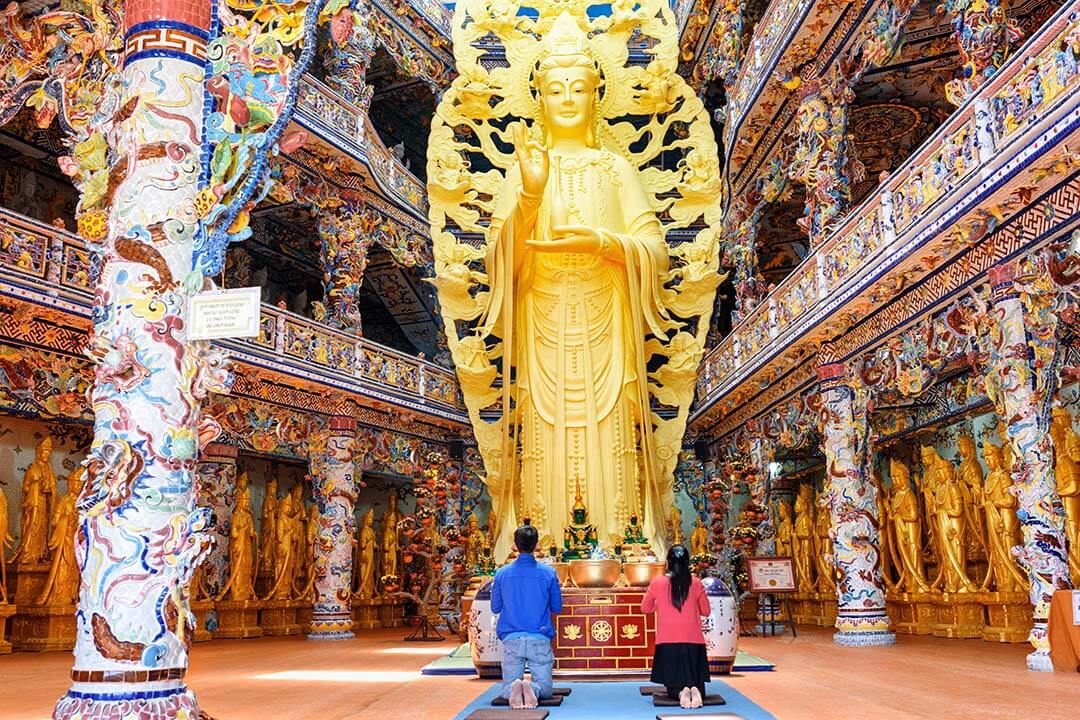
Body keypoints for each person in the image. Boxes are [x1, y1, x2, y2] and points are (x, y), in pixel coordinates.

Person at [491, 524, 563, 709]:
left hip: (511, 638)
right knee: (546, 690)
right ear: (537, 545)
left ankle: (515, 688)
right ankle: (533, 688)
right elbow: (557, 607)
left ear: (515, 545)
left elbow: (495, 607)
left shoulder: (501, 573)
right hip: (539, 638)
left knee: (507, 687)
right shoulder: (549, 573)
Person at [641, 544, 711, 709]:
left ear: (667, 563)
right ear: (688, 562)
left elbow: (645, 608)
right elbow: (706, 611)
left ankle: (681, 693)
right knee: (697, 681)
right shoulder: (696, 583)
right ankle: (695, 689)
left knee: (673, 686)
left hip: (667, 641)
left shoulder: (657, 582)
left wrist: (660, 605)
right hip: (694, 641)